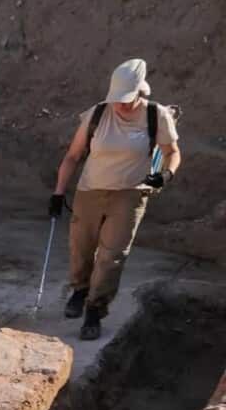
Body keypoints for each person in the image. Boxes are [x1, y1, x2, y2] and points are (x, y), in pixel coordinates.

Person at [50, 58, 182, 340]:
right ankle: (79, 289)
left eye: (125, 99)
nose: (119, 104)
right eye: (116, 99)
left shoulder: (155, 116)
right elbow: (73, 156)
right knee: (81, 248)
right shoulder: (97, 114)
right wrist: (58, 193)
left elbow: (172, 152)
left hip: (131, 194)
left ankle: (95, 311)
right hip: (90, 191)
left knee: (111, 256)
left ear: (139, 92)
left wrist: (166, 174)